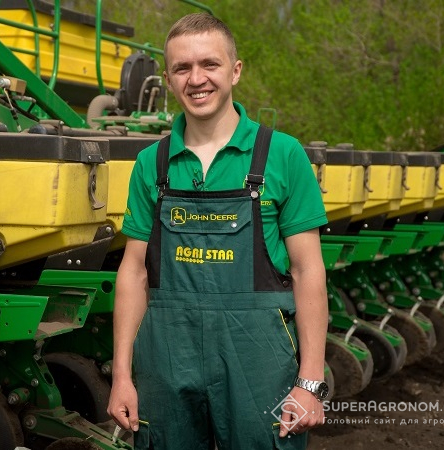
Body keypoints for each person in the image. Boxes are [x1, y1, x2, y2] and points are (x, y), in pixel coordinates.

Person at [107, 12, 329, 449]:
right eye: (182, 68)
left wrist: (312, 382)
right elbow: (134, 273)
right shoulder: (150, 163)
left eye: (209, 64)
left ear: (235, 70)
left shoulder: (281, 155)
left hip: (258, 363)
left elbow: (308, 272)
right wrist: (121, 376)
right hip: (167, 362)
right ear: (169, 80)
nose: (197, 79)